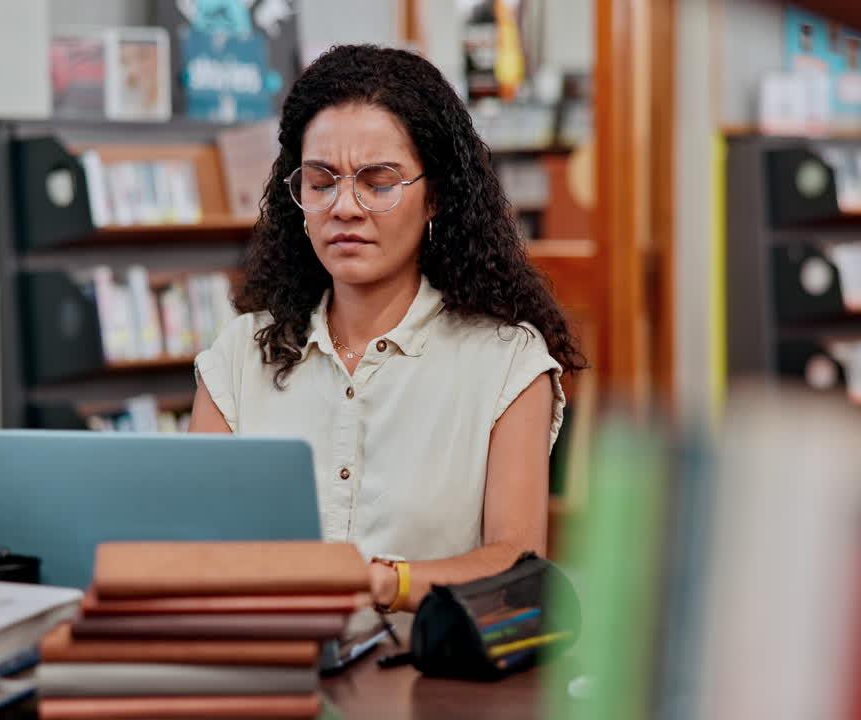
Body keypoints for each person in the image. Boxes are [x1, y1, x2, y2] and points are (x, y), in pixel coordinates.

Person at [191, 44, 584, 612]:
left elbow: (514, 564)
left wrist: (378, 582)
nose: (344, 207)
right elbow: (191, 541)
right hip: (264, 668)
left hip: (424, 681)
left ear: (435, 198)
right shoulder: (240, 354)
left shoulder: (506, 362)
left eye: (378, 181)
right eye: (321, 182)